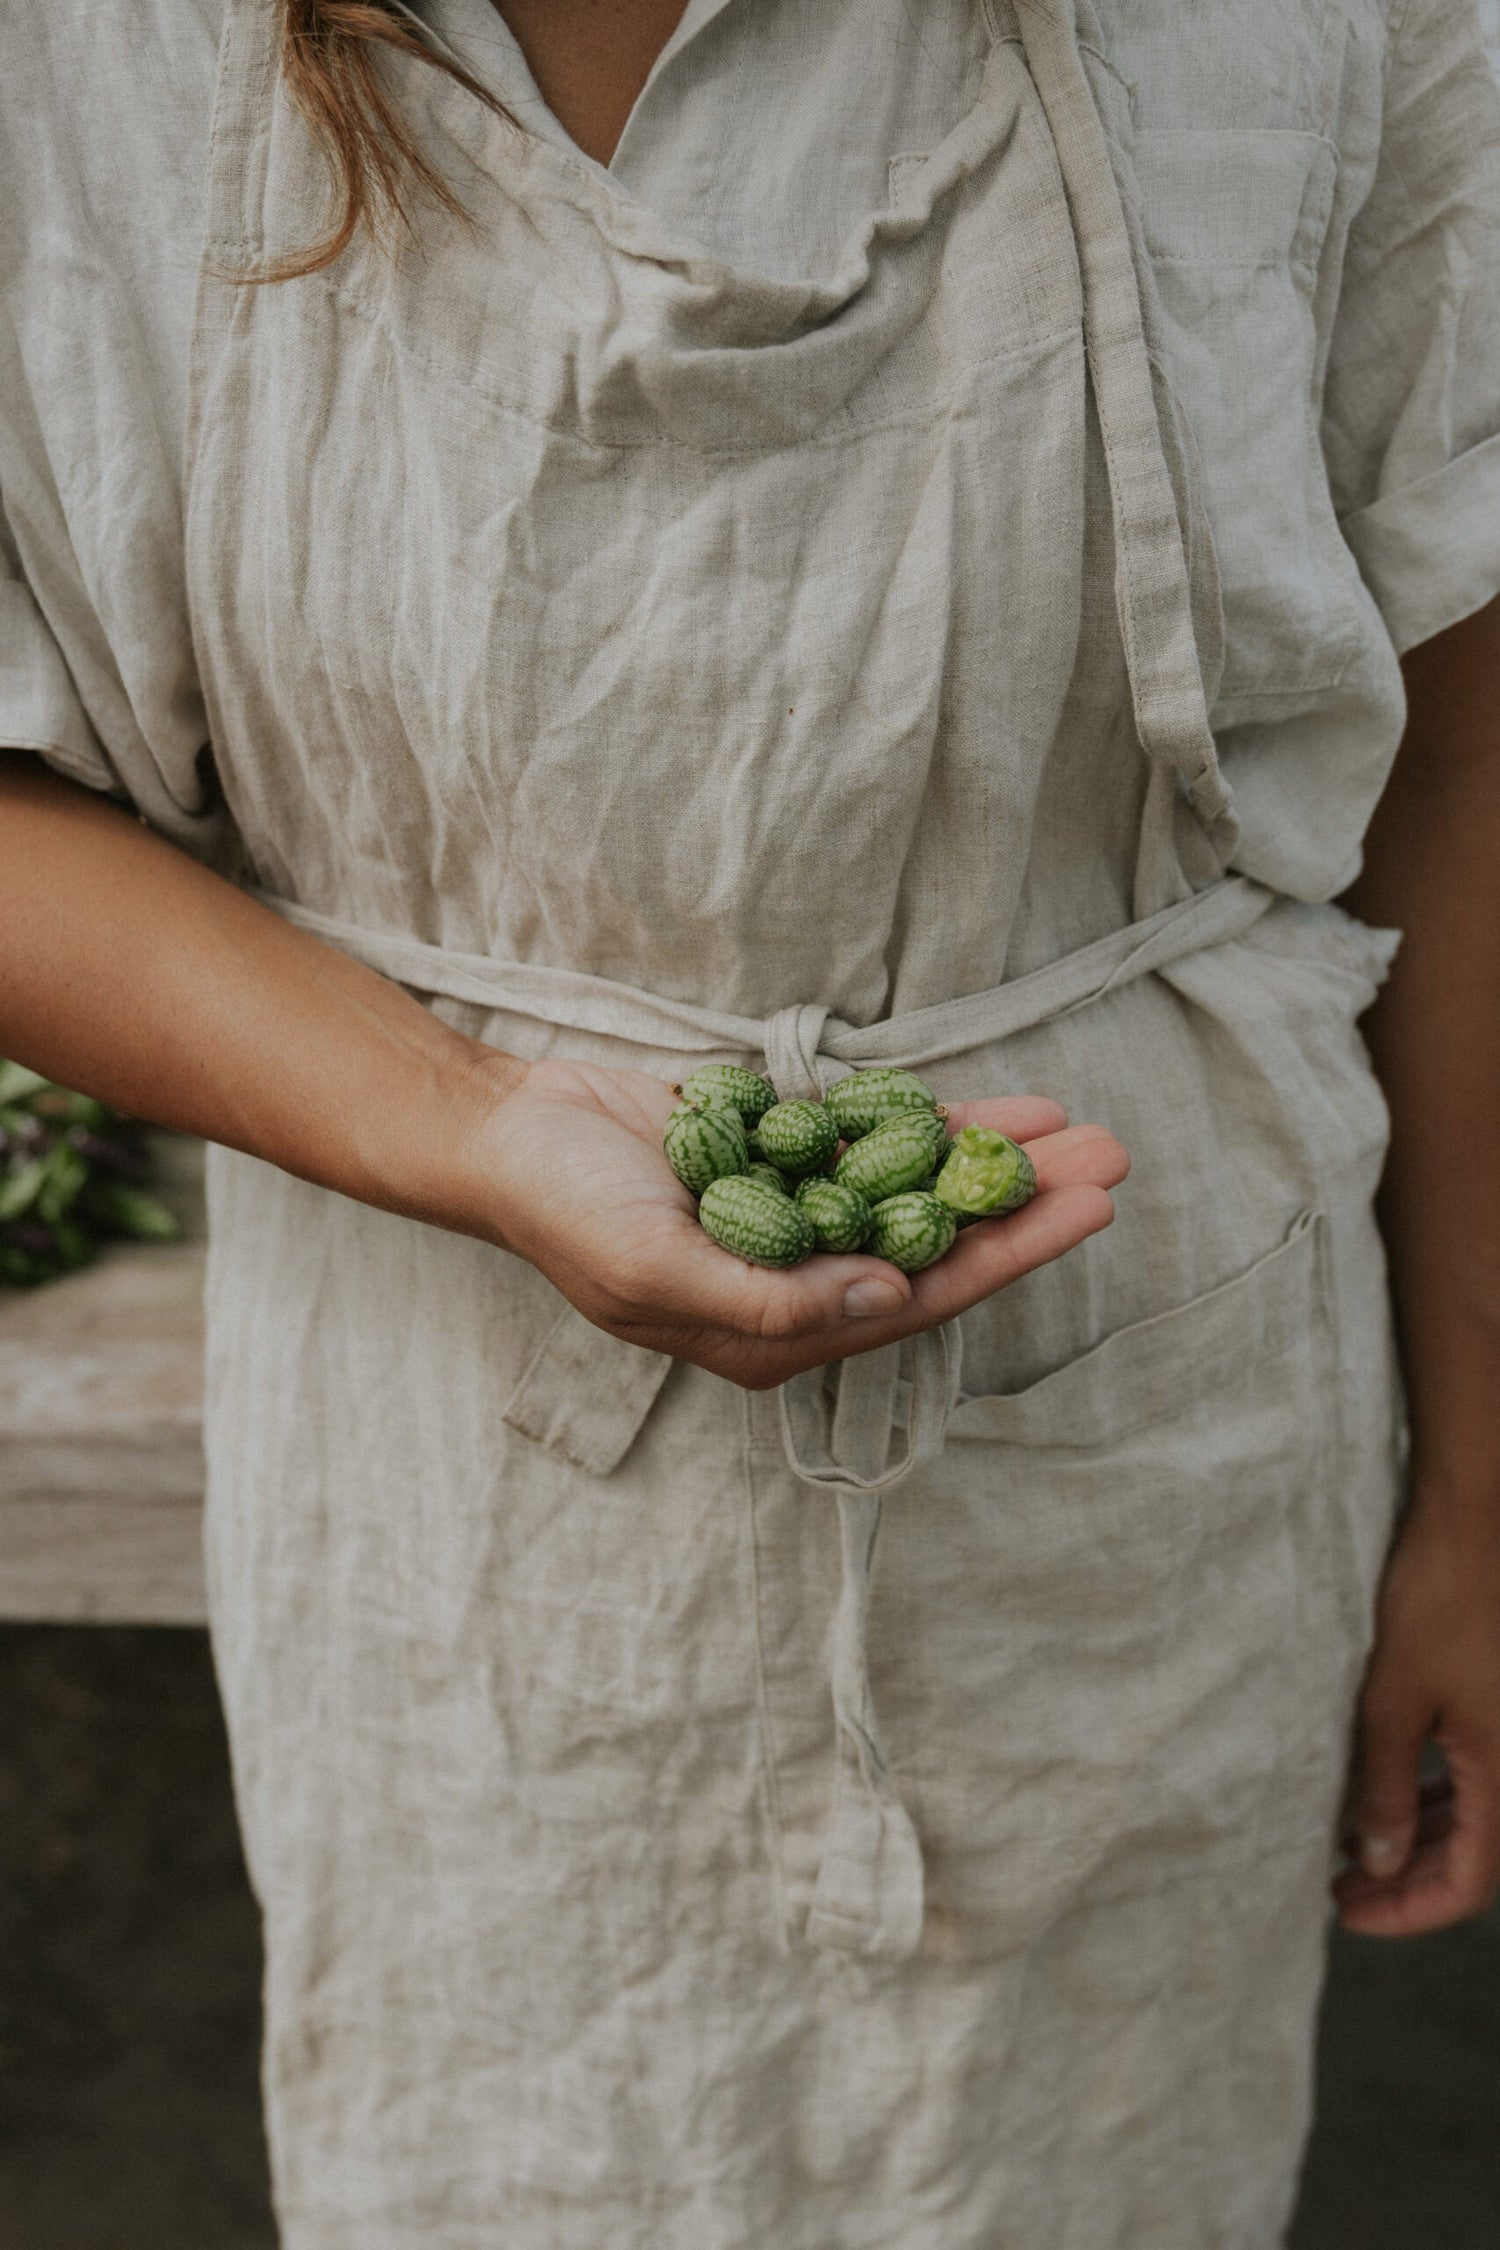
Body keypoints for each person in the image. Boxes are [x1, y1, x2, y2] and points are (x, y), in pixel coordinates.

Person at [3, 0, 1498, 2241]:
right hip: (462, 1516)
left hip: (1159, 1489)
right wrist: (478, 1127)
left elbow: (1458, 728)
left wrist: (1478, 1497)